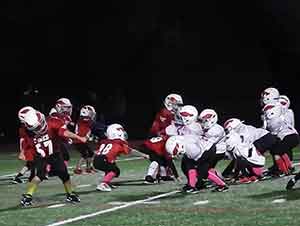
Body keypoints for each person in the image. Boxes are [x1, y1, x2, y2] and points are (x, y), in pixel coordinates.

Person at [18, 106, 87, 207]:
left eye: (40, 123)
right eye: (36, 127)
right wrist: (23, 152)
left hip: (55, 153)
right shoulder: (25, 131)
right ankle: (28, 196)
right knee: (40, 175)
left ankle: (70, 194)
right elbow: (24, 142)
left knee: (64, 174)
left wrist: (78, 137)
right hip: (41, 155)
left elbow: (64, 132)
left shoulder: (52, 121)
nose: (40, 127)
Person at [93, 123, 147, 192]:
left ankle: (107, 182)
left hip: (97, 159)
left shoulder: (105, 141)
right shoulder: (119, 143)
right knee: (115, 170)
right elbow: (131, 151)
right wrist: (144, 155)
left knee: (111, 166)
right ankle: (103, 183)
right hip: (103, 159)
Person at [12, 106, 36, 184]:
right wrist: (22, 151)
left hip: (29, 146)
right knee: (33, 162)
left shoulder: (25, 126)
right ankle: (29, 176)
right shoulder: (25, 128)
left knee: (30, 163)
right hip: (29, 147)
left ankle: (21, 177)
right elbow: (24, 140)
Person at [73, 105, 97, 174]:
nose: (92, 115)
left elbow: (88, 129)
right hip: (79, 140)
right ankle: (78, 169)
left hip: (81, 140)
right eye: (90, 113)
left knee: (91, 153)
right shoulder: (84, 120)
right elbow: (92, 125)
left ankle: (88, 168)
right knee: (85, 155)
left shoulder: (82, 119)